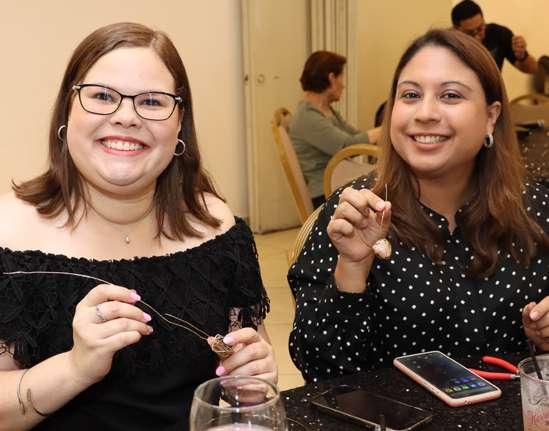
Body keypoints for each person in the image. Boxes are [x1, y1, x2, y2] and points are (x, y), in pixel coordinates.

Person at [0, 22, 276, 430]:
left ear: (180, 124)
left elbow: (249, 360)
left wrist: (253, 380)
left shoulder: (216, 226)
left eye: (151, 101)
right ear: (66, 112)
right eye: (102, 96)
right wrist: (74, 368)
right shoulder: (9, 238)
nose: (126, 117)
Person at [288, 28, 549, 383]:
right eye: (410, 95)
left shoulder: (536, 210)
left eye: (450, 95)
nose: (425, 113)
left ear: (491, 116)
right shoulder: (353, 215)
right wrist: (352, 269)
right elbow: (322, 373)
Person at [289, 51, 380, 208]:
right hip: (325, 192)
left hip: (336, 182)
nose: (343, 85)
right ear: (332, 78)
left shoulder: (325, 110)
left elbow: (354, 135)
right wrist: (384, 130)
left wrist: (378, 134)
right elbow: (346, 146)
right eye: (341, 78)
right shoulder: (308, 117)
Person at [451, 0, 538, 74]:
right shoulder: (448, 45)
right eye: (470, 33)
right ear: (456, 30)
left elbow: (532, 69)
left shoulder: (498, 34)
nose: (477, 37)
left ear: (483, 20)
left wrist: (522, 56)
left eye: (480, 28)